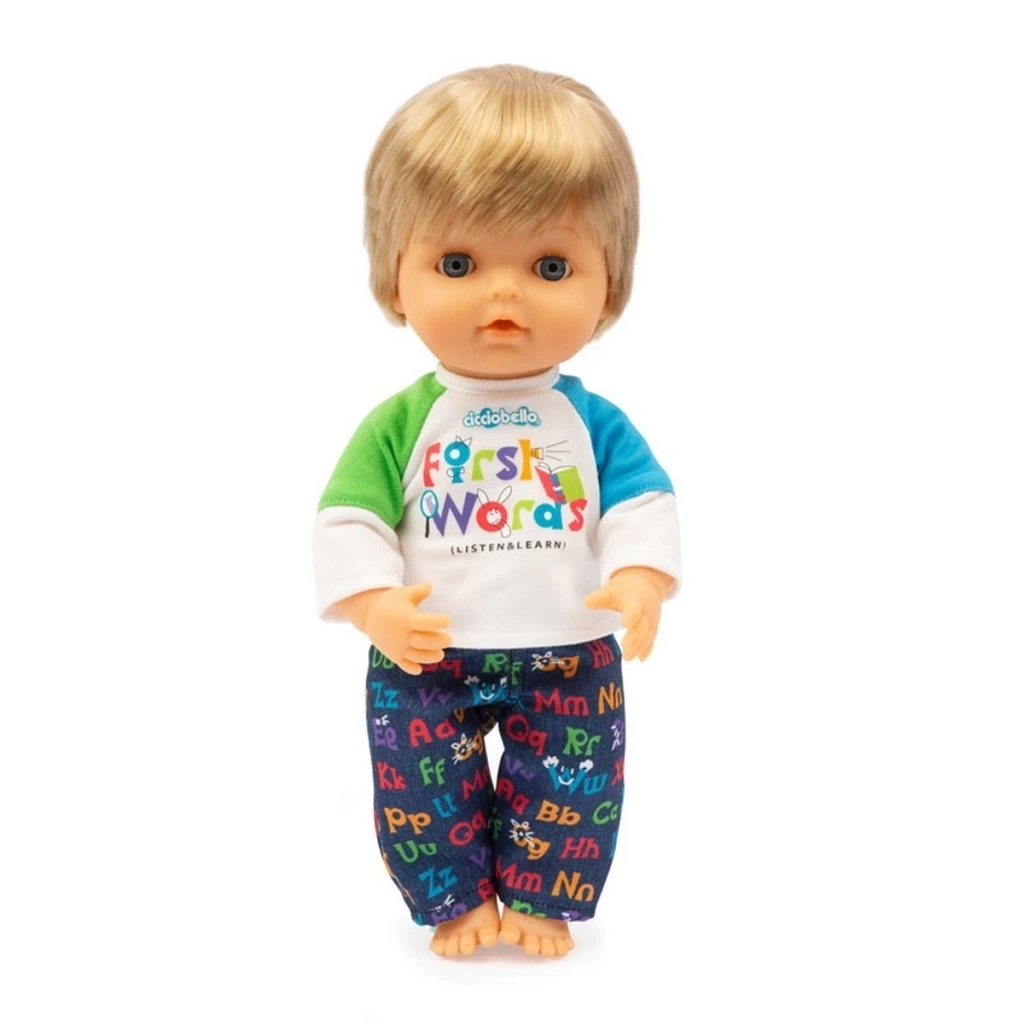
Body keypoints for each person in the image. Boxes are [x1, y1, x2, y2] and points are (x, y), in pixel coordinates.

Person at [314, 64, 681, 958]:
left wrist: (639, 578)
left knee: (576, 779)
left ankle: (542, 893)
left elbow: (641, 502)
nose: (504, 295)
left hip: (570, 649)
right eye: (458, 264)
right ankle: (452, 897)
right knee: (417, 785)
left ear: (609, 288)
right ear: (395, 280)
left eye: (551, 266)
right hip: (426, 655)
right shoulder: (403, 422)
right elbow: (350, 520)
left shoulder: (593, 423)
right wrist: (374, 604)